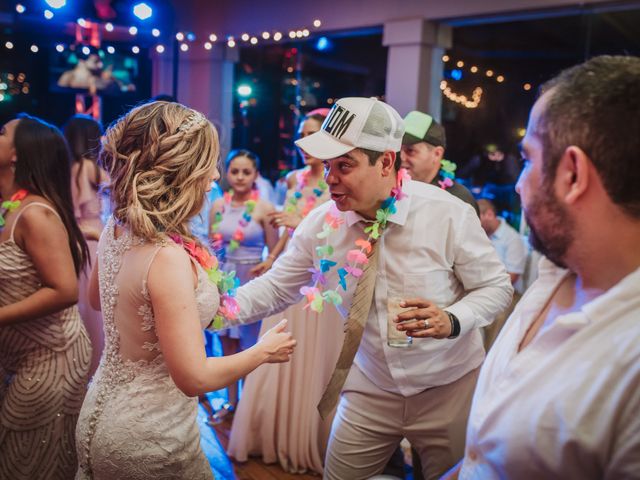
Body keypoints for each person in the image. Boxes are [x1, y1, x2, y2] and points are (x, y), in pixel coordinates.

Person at [215, 97, 512, 479]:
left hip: (450, 390)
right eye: (327, 166)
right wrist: (211, 311)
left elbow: (495, 287)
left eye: (344, 165)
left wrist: (453, 319)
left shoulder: (447, 213)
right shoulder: (321, 223)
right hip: (369, 389)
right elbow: (275, 288)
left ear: (386, 162)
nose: (330, 178)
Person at [74, 101, 296, 479]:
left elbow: (99, 299)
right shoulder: (166, 257)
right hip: (150, 436)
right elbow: (194, 378)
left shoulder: (117, 226)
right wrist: (262, 352)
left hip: (99, 413)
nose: (216, 174)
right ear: (180, 172)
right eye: (208, 162)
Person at [447, 55, 640, 479]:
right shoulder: (555, 269)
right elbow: (487, 456)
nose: (518, 183)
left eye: (530, 159)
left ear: (572, 174)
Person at [227, 108, 345, 475]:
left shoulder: (335, 182)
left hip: (320, 280)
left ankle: (305, 438)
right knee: (277, 355)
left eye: (315, 136)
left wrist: (300, 222)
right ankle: (269, 435)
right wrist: (272, 258)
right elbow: (285, 232)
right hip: (291, 270)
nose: (307, 146)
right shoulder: (293, 180)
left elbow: (328, 230)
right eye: (303, 137)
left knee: (311, 357)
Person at [0, 114, 92, 479]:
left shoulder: (35, 214)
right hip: (18, 354)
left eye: (2, 132)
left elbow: (65, 290)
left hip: (52, 356)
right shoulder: (8, 207)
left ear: (17, 155)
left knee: (30, 460)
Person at [207, 149, 279, 421]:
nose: (239, 177)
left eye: (246, 171)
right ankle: (230, 402)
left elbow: (275, 254)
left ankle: (250, 408)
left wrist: (267, 263)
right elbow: (212, 247)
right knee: (225, 342)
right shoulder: (218, 206)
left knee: (250, 346)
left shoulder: (264, 209)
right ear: (227, 173)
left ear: (256, 175)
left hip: (251, 279)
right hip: (223, 279)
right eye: (234, 171)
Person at [64, 114, 110, 377]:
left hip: (75, 239)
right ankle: (95, 370)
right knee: (95, 314)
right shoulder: (87, 167)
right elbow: (117, 184)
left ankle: (78, 369)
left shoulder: (68, 167)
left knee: (81, 309)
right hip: (92, 238)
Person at [400, 111, 479, 215]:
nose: (401, 157)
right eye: (398, 149)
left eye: (410, 151)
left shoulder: (459, 200)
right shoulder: (390, 190)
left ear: (437, 154)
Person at [477, 198, 527, 350]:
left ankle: (489, 358)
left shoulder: (512, 239)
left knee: (496, 316)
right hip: (482, 289)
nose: (475, 224)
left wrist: (484, 290)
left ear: (489, 215)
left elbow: (513, 276)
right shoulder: (481, 235)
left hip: (508, 293)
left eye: (477, 219)